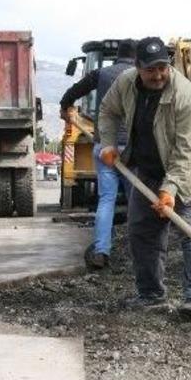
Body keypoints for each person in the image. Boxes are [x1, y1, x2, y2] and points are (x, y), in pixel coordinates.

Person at [96, 36, 191, 319]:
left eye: (163, 67)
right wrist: (109, 143)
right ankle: (151, 295)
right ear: (137, 67)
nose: (158, 74)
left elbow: (188, 151)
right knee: (141, 232)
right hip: (147, 170)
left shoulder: (185, 96)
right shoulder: (125, 83)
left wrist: (170, 190)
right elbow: (108, 111)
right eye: (151, 69)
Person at [60, 40, 137, 271]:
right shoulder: (140, 74)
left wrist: (65, 108)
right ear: (136, 58)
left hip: (105, 146)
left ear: (117, 58)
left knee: (106, 200)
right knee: (137, 202)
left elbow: (72, 92)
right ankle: (139, 253)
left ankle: (102, 251)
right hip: (132, 149)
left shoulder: (101, 73)